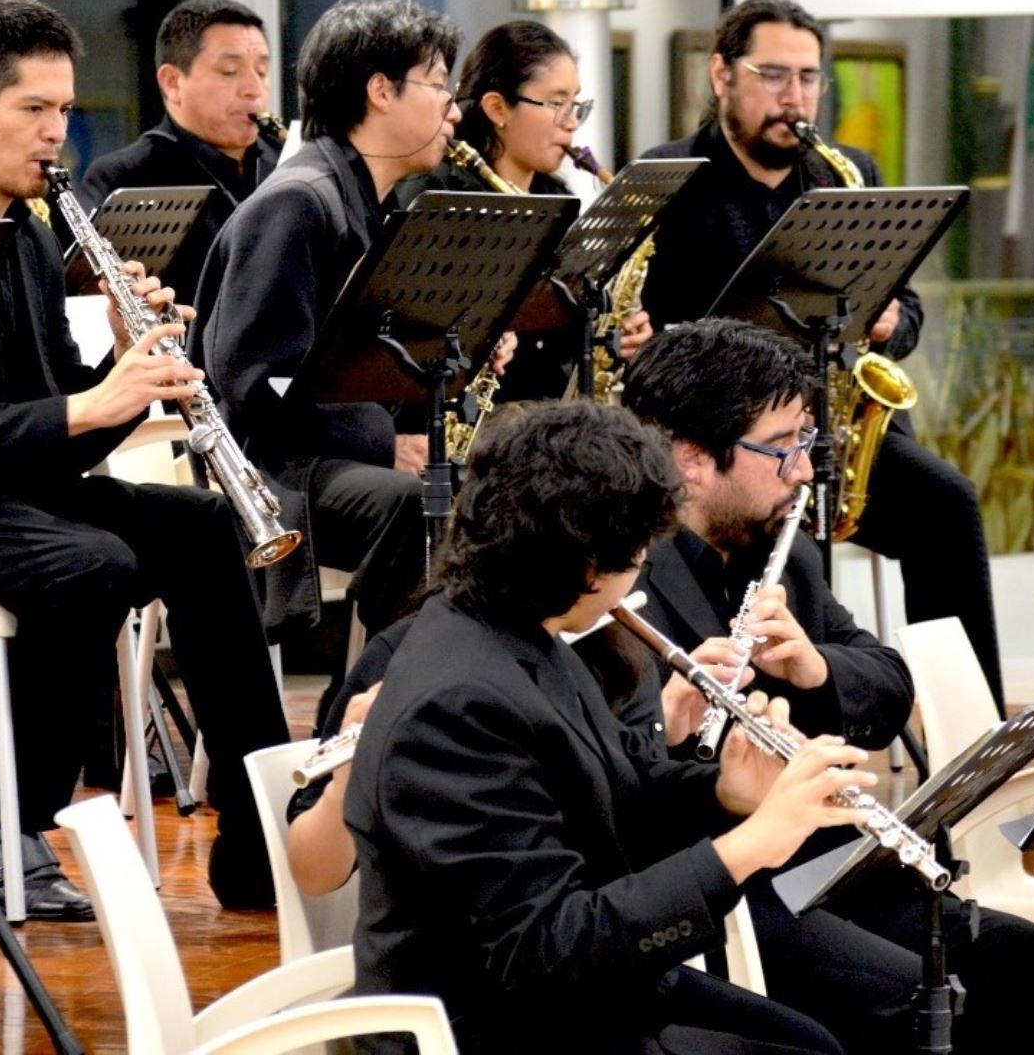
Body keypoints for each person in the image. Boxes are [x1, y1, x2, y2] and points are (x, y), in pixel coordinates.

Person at [619, 318, 1034, 1054]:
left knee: (1021, 956)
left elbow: (887, 686)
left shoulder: (783, 552)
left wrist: (813, 666)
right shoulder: (620, 579)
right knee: (916, 1000)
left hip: (819, 866)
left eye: (807, 442)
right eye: (782, 448)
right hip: (721, 887)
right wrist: (676, 721)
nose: (805, 472)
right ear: (690, 460)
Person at [346, 398, 854, 1054]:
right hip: (499, 1026)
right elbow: (542, 947)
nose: (644, 560)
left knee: (811, 1043)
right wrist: (754, 843)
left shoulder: (522, 628)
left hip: (573, 997)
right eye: (640, 548)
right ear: (588, 563)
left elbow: (613, 787)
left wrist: (725, 793)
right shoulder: (459, 704)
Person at [0, 0, 289, 913]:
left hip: (17, 491)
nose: (59, 134)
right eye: (34, 111)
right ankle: (6, 818)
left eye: (64, 110)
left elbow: (63, 420)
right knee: (95, 562)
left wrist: (135, 370)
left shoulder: (30, 225)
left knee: (207, 526)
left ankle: (258, 840)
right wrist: (93, 402)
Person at [635, 0, 1005, 711]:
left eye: (808, 78)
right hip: (728, 450)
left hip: (835, 434)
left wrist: (889, 323)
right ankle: (793, 711)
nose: (794, 98)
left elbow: (910, 311)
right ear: (721, 75)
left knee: (947, 506)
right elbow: (645, 337)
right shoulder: (670, 177)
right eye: (773, 76)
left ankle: (967, 720)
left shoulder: (847, 171)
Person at [193, 0, 465, 684]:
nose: (452, 109)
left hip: (328, 455)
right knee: (413, 504)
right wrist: (385, 438)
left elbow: (366, 367)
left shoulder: (370, 206)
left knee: (496, 490)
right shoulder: (299, 202)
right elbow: (257, 384)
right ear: (380, 90)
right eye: (438, 85)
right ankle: (377, 705)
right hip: (274, 469)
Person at [400, 19, 647, 400]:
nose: (570, 124)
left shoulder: (557, 196)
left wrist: (612, 336)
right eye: (555, 103)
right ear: (497, 107)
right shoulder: (439, 194)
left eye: (576, 104)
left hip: (547, 413)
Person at [79, 0, 278, 306]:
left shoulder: (285, 162)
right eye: (229, 71)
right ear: (172, 83)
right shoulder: (123, 176)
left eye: (263, 72)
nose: (254, 89)